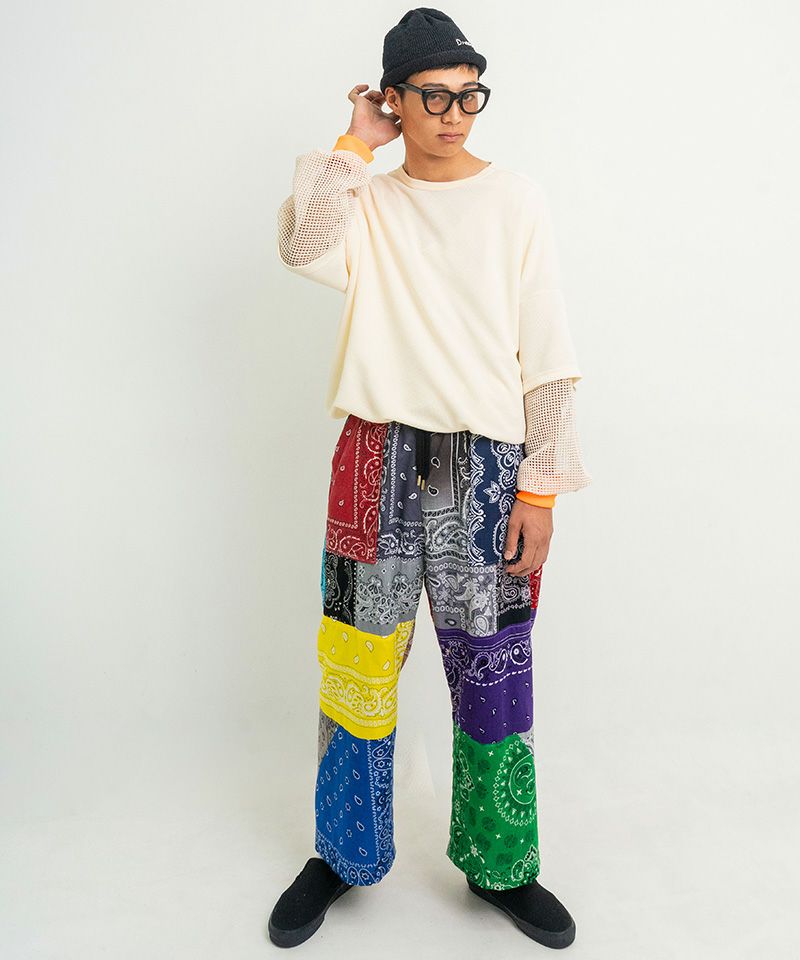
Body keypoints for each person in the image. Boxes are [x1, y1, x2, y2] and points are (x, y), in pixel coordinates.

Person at [268, 7, 591, 950]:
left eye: (469, 96)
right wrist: (353, 144)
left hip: (485, 467)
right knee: (357, 668)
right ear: (394, 99)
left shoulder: (516, 200)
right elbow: (302, 247)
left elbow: (549, 350)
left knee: (493, 671)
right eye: (434, 97)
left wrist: (540, 489)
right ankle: (343, 853)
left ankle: (501, 863)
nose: (454, 115)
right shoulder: (367, 201)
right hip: (374, 455)